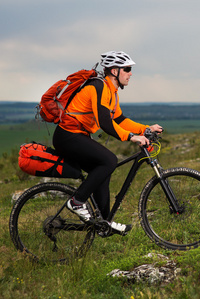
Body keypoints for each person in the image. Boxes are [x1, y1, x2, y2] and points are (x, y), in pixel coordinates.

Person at [52, 51, 163, 235]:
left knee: (104, 168)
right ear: (114, 71)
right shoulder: (99, 87)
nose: (130, 73)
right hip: (67, 136)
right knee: (109, 160)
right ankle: (76, 202)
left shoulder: (112, 93)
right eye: (127, 69)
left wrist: (144, 129)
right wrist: (131, 137)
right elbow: (105, 123)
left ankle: (104, 223)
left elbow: (119, 119)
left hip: (78, 136)